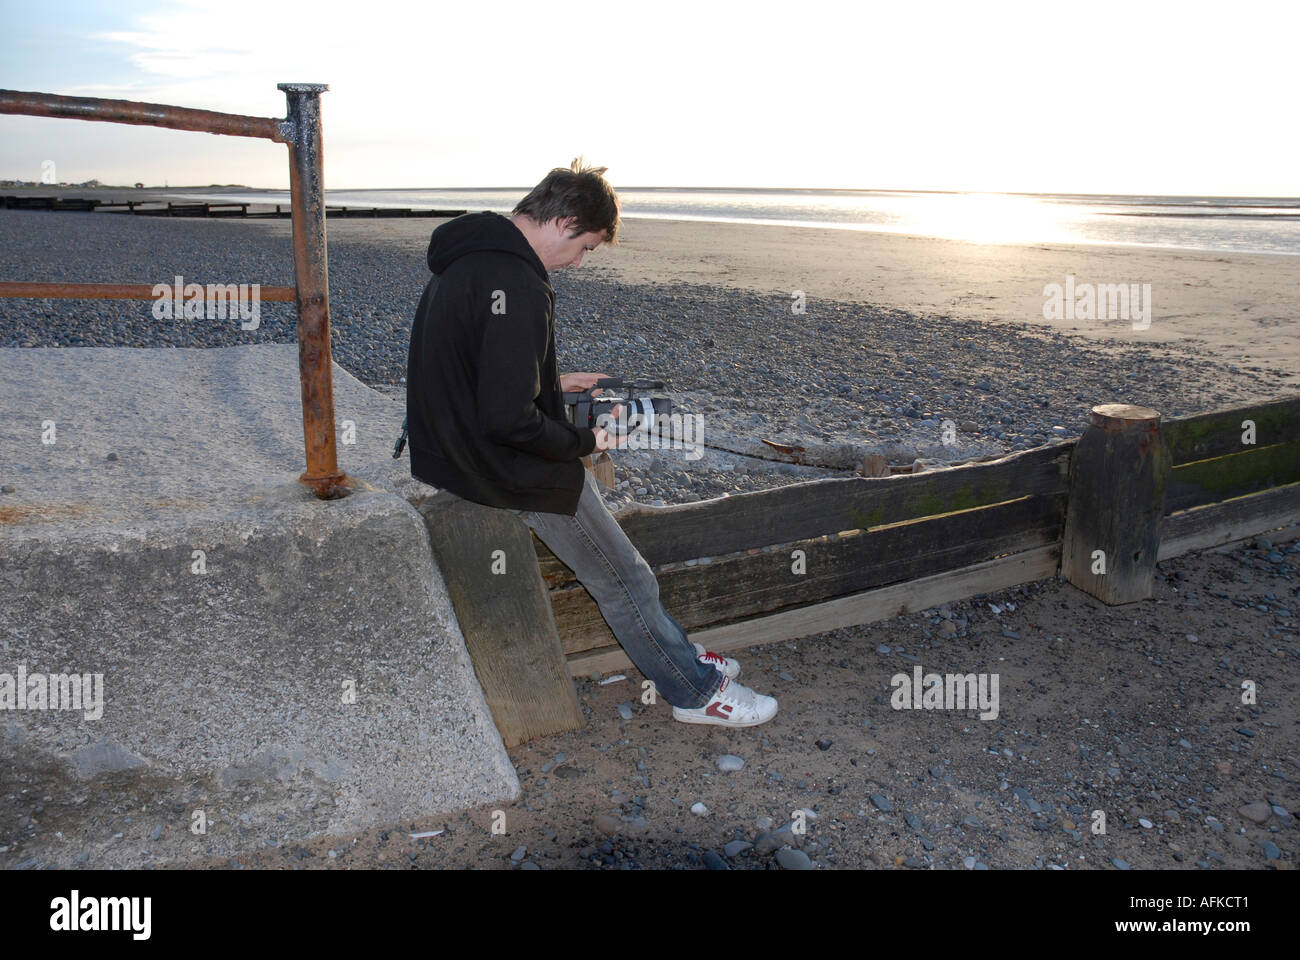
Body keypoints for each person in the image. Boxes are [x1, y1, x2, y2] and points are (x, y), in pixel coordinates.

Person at [406, 159, 777, 727]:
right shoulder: (517, 282)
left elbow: (467, 373)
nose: (579, 262)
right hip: (502, 464)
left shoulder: (469, 260)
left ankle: (678, 652)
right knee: (624, 575)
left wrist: (550, 383)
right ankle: (692, 692)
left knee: (626, 572)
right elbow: (507, 421)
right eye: (586, 248)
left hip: (452, 450)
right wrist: (586, 438)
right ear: (566, 221)